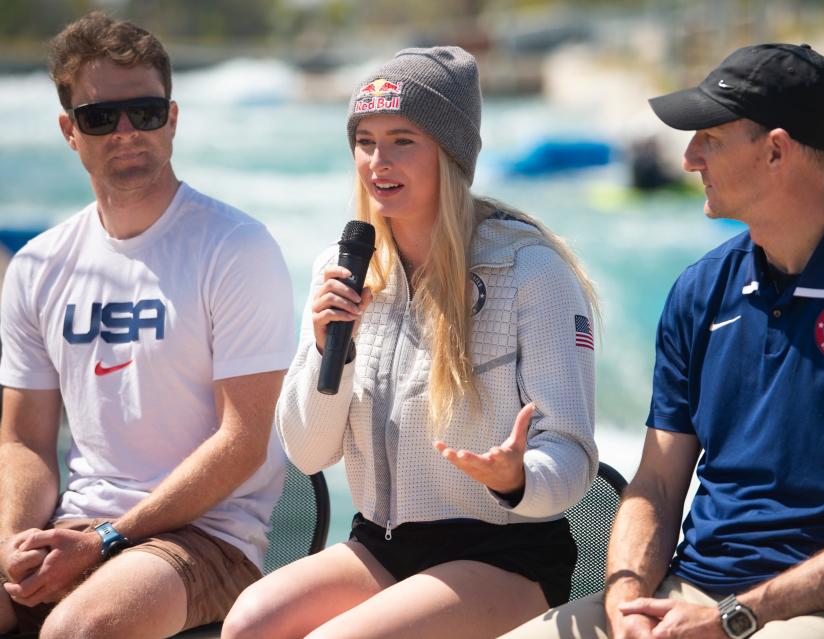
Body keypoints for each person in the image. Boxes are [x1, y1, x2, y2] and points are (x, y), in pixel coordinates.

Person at [504, 43, 824, 639]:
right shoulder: (700, 291)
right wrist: (625, 595)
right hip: (691, 594)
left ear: (775, 151)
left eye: (710, 139)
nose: (690, 158)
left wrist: (737, 617)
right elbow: (658, 483)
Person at [221, 45, 600, 639]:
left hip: (504, 553)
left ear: (449, 153)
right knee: (247, 624)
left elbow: (573, 453)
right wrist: (330, 351)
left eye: (402, 140)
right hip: (382, 543)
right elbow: (308, 454)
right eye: (365, 140)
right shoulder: (346, 270)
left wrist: (517, 477)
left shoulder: (531, 272)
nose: (378, 161)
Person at [0, 12, 295, 638]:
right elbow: (24, 442)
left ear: (174, 118)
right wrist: (13, 542)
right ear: (69, 131)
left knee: (76, 631)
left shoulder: (235, 247)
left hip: (209, 537)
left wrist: (109, 538)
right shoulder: (38, 265)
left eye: (146, 111)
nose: (127, 131)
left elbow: (243, 442)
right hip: (76, 526)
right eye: (100, 117)